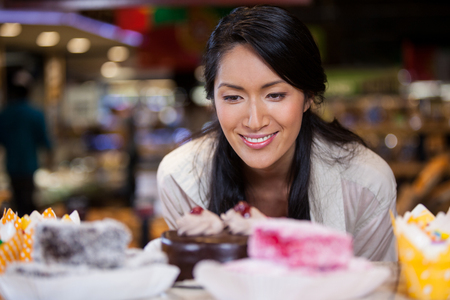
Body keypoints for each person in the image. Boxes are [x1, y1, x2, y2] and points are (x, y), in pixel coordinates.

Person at [157, 5, 397, 261]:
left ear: (308, 98)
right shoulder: (180, 179)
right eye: (233, 97)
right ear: (213, 100)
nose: (255, 121)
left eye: (275, 95)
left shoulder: (365, 185)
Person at [0, 69, 53, 216]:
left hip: (12, 165)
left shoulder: (4, 114)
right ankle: (28, 232)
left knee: (16, 202)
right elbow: (45, 140)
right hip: (29, 165)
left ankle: (17, 232)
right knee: (29, 203)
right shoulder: (35, 114)